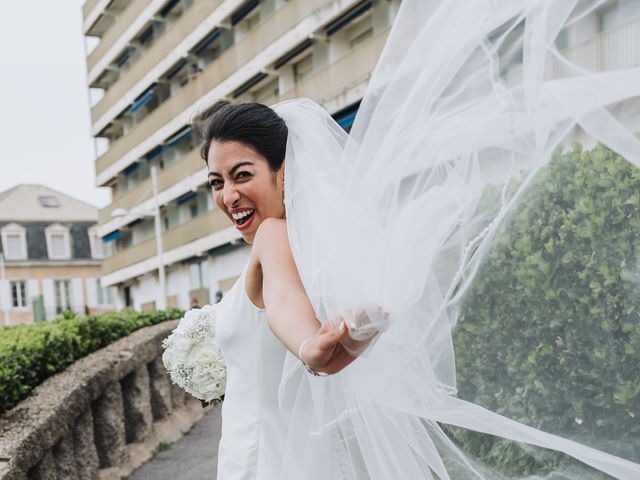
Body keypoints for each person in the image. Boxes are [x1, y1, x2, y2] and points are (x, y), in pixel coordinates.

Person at [192, 0, 640, 478]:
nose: (228, 194)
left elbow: (284, 307)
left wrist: (310, 348)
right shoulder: (317, 251)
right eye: (217, 182)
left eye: (242, 175)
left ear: (285, 172)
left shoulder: (274, 236)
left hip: (266, 460)